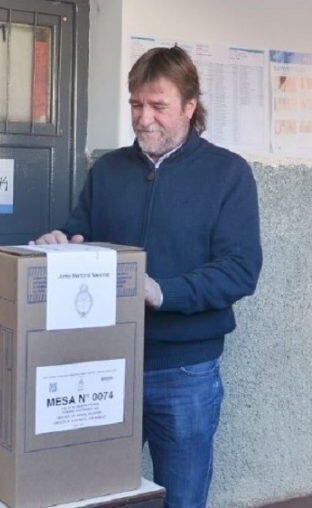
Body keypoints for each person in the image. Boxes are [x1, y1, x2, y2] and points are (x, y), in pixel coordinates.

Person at [33, 46, 262, 507]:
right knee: (94, 492)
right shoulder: (109, 169)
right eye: (136, 104)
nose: (143, 118)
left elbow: (240, 270)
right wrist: (61, 243)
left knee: (181, 495)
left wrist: (164, 292)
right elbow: (83, 234)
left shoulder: (228, 174)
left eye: (158, 106)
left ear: (190, 107)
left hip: (184, 369)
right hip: (103, 361)